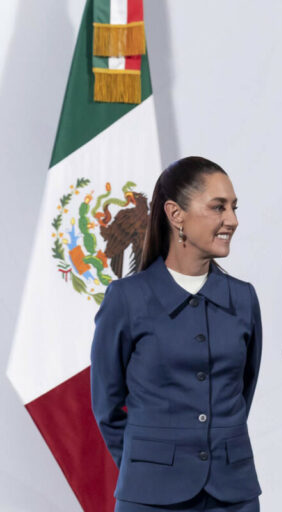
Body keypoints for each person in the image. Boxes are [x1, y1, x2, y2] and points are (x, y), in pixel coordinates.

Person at [90, 157, 262, 511]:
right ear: (175, 213)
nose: (232, 219)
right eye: (218, 207)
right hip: (150, 495)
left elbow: (243, 391)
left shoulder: (243, 298)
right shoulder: (126, 299)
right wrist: (145, 465)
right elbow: (106, 407)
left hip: (233, 494)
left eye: (234, 207)